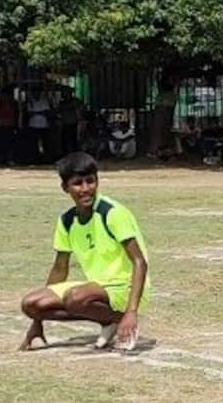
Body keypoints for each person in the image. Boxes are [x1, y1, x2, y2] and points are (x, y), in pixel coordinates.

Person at [17, 151, 151, 353]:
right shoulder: (67, 220)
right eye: (78, 183)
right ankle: (109, 320)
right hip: (97, 288)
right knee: (32, 304)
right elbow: (60, 268)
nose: (86, 189)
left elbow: (139, 262)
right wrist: (38, 321)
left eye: (91, 181)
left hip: (125, 287)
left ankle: (122, 318)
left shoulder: (112, 213)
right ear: (65, 188)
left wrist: (132, 311)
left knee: (75, 298)